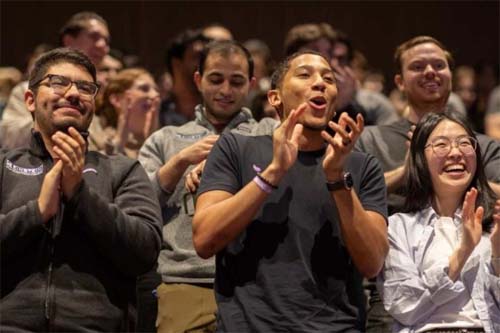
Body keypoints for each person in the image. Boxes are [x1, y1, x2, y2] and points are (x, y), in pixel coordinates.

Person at [192, 51, 388, 332]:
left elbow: (372, 263)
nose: (320, 83)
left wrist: (335, 178)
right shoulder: (235, 148)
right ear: (275, 98)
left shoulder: (360, 166)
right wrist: (272, 173)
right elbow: (204, 239)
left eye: (328, 78)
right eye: (305, 74)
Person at [0, 48, 162, 331]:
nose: (73, 93)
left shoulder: (123, 170)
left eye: (85, 87)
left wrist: (79, 195)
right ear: (29, 100)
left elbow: (144, 253)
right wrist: (37, 213)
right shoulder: (4, 166)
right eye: (58, 82)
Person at [139, 40, 274, 333]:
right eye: (215, 79)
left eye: (236, 81)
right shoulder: (165, 139)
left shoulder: (269, 134)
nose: (225, 90)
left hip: (258, 280)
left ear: (251, 84)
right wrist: (178, 163)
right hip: (186, 281)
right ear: (198, 80)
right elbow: (136, 206)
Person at [379, 110, 500, 333]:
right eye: (441, 145)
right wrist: (464, 250)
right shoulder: (398, 227)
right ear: (420, 159)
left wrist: (497, 254)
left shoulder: (495, 224)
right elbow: (404, 305)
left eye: (465, 143)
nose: (455, 152)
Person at [356, 36, 500, 215]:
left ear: (450, 76)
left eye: (439, 65)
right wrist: (405, 173)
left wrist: (463, 177)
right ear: (400, 82)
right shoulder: (370, 140)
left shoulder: (483, 146)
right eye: (418, 67)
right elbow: (349, 196)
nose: (430, 71)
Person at [0, 11, 110, 150]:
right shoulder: (29, 88)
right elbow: (9, 139)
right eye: (94, 37)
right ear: (69, 40)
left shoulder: (104, 95)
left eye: (107, 41)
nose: (102, 45)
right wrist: (60, 117)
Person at [95, 68, 160, 158]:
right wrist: (119, 142)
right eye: (144, 89)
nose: (155, 95)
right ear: (117, 100)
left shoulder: (164, 140)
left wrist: (152, 144)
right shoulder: (99, 137)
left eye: (156, 90)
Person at [160, 29, 209, 126]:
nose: (206, 64)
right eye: (197, 57)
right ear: (176, 64)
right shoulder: (158, 113)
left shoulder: (219, 111)